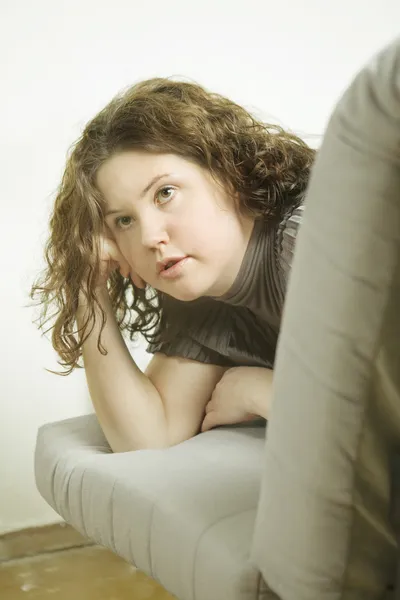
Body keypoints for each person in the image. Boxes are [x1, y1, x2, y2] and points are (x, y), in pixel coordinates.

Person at [30, 78, 315, 453]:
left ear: (228, 169)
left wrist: (262, 391)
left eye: (165, 193)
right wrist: (88, 286)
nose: (149, 238)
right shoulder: (207, 299)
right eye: (124, 221)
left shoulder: (310, 237)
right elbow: (146, 438)